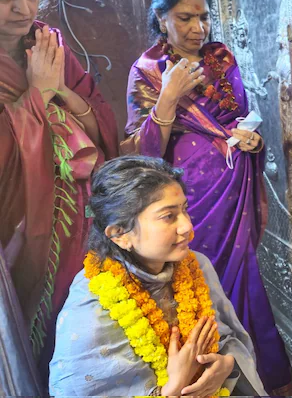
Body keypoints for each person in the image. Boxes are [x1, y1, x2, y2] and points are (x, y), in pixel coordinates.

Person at [122, 0, 292, 392]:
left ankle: (264, 380)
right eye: (185, 18)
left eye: (204, 17)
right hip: (191, 199)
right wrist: (168, 96)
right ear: (162, 19)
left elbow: (237, 119)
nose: (199, 28)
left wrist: (252, 138)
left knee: (245, 280)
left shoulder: (221, 58)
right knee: (200, 283)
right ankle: (209, 379)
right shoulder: (147, 71)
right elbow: (138, 152)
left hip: (234, 192)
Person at [48, 156, 268, 396]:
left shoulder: (197, 267)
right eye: (168, 216)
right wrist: (173, 388)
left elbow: (229, 340)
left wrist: (227, 366)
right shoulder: (91, 309)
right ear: (120, 234)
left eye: (184, 210)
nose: (186, 227)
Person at [0, 0, 118, 382]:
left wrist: (57, 91)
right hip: (24, 218)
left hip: (82, 209)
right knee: (40, 319)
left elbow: (100, 120)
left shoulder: (50, 46)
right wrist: (36, 95)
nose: (23, 9)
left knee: (87, 308)